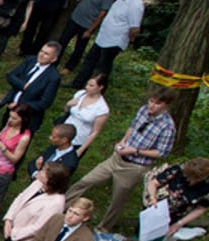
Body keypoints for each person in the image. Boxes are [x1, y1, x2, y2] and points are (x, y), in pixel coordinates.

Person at [64, 87, 176, 231]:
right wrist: (123, 141)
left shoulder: (167, 127)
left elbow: (161, 152)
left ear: (165, 105)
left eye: (157, 104)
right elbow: (133, 127)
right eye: (151, 101)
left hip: (135, 166)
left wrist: (135, 151)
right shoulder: (143, 111)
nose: (152, 105)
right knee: (86, 181)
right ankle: (63, 207)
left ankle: (103, 228)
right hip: (117, 158)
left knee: (118, 200)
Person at [72, 0, 144, 88]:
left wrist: (130, 39)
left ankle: (99, 89)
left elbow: (134, 28)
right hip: (103, 37)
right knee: (90, 60)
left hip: (114, 40)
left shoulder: (135, 5)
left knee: (103, 66)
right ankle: (78, 83)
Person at [0, 162, 71, 241]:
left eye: (45, 171)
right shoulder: (38, 183)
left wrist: (15, 234)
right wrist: (8, 219)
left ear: (52, 179)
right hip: (12, 229)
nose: (41, 171)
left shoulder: (56, 202)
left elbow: (39, 227)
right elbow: (20, 198)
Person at [144, 158, 209, 241]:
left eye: (195, 179)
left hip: (177, 218)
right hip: (156, 209)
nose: (190, 181)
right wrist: (153, 197)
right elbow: (154, 183)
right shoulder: (178, 169)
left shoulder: (207, 187)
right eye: (188, 177)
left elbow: (201, 208)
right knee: (144, 238)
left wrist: (179, 224)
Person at [58, 0, 116, 73]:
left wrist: (90, 30)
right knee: (63, 40)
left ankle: (69, 67)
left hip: (87, 23)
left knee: (79, 47)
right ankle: (55, 60)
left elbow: (103, 13)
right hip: (76, 17)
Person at [0, 41, 63, 134]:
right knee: (2, 133)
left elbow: (45, 102)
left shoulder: (53, 77)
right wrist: (23, 85)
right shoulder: (30, 60)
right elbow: (11, 75)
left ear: (53, 59)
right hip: (11, 108)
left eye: (46, 54)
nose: (41, 55)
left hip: (27, 117)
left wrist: (20, 106)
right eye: (41, 51)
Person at [61, 73, 111, 159]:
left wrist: (81, 150)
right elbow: (66, 111)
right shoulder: (80, 94)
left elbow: (95, 132)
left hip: (78, 139)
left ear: (100, 87)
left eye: (91, 85)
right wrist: (68, 104)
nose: (87, 87)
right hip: (64, 133)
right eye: (87, 84)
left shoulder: (102, 109)